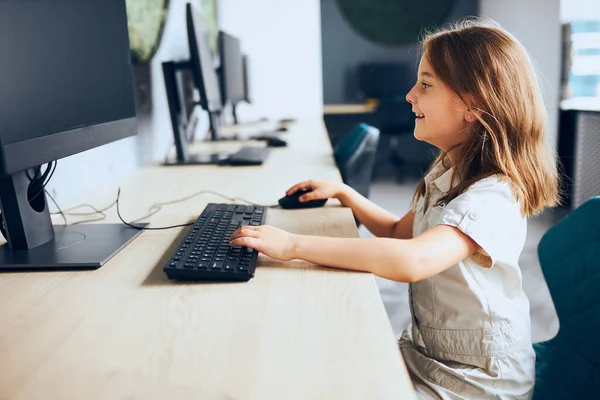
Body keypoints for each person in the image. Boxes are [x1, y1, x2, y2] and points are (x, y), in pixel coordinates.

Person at [229, 19, 560, 398]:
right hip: (432, 357)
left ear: (473, 105)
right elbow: (402, 232)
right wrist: (345, 194)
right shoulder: (450, 170)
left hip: (478, 383)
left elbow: (411, 260)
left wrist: (294, 246)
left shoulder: (493, 196)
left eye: (426, 84)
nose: (409, 95)